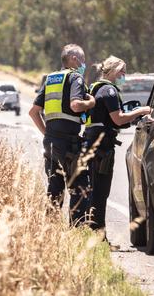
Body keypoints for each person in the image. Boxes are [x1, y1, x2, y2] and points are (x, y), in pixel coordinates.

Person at [29, 44, 96, 226]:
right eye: (82, 59)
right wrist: (90, 103)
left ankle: (50, 231)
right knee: (79, 187)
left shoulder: (51, 79)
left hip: (50, 143)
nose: (84, 63)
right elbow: (75, 105)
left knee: (55, 189)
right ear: (74, 59)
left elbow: (33, 112)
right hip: (69, 143)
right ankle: (76, 231)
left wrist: (47, 134)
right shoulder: (75, 77)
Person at [84, 56, 151, 237]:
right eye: (122, 71)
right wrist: (142, 110)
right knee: (100, 191)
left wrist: (134, 118)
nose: (124, 75)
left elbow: (116, 122)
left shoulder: (95, 87)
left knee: (95, 190)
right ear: (113, 70)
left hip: (92, 144)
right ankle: (98, 236)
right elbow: (118, 118)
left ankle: (95, 233)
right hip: (102, 148)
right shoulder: (109, 91)